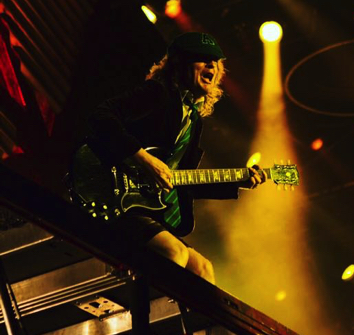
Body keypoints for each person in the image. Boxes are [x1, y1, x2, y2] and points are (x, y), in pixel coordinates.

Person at [83, 32, 265, 284]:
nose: (212, 65)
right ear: (179, 63)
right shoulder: (158, 93)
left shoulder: (193, 120)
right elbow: (101, 116)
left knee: (203, 269)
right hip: (111, 196)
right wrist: (144, 159)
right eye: (202, 58)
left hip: (145, 207)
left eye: (216, 62)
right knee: (174, 252)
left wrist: (237, 182)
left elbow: (180, 181)